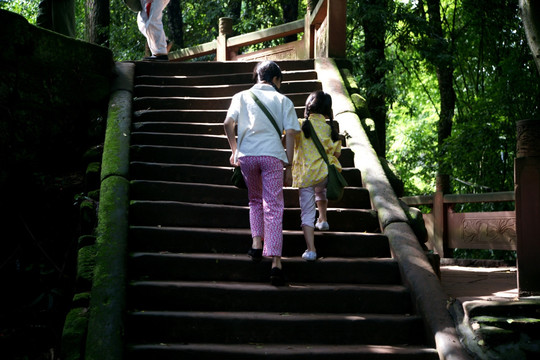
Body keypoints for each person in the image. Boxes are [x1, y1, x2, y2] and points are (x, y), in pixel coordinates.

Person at [224, 61, 300, 286]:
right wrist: (289, 164)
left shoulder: (241, 96)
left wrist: (235, 150)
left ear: (257, 77)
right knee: (274, 207)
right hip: (272, 156)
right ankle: (276, 262)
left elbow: (228, 123)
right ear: (276, 79)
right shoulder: (283, 100)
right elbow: (291, 135)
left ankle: (257, 244)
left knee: (255, 200)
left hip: (247, 156)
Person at [292, 91, 342, 261]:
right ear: (328, 110)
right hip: (325, 174)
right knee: (320, 191)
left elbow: (287, 136)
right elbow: (336, 153)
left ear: (308, 106)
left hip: (306, 176)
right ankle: (323, 219)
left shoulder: (299, 125)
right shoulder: (330, 128)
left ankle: (311, 250)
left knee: (307, 212)